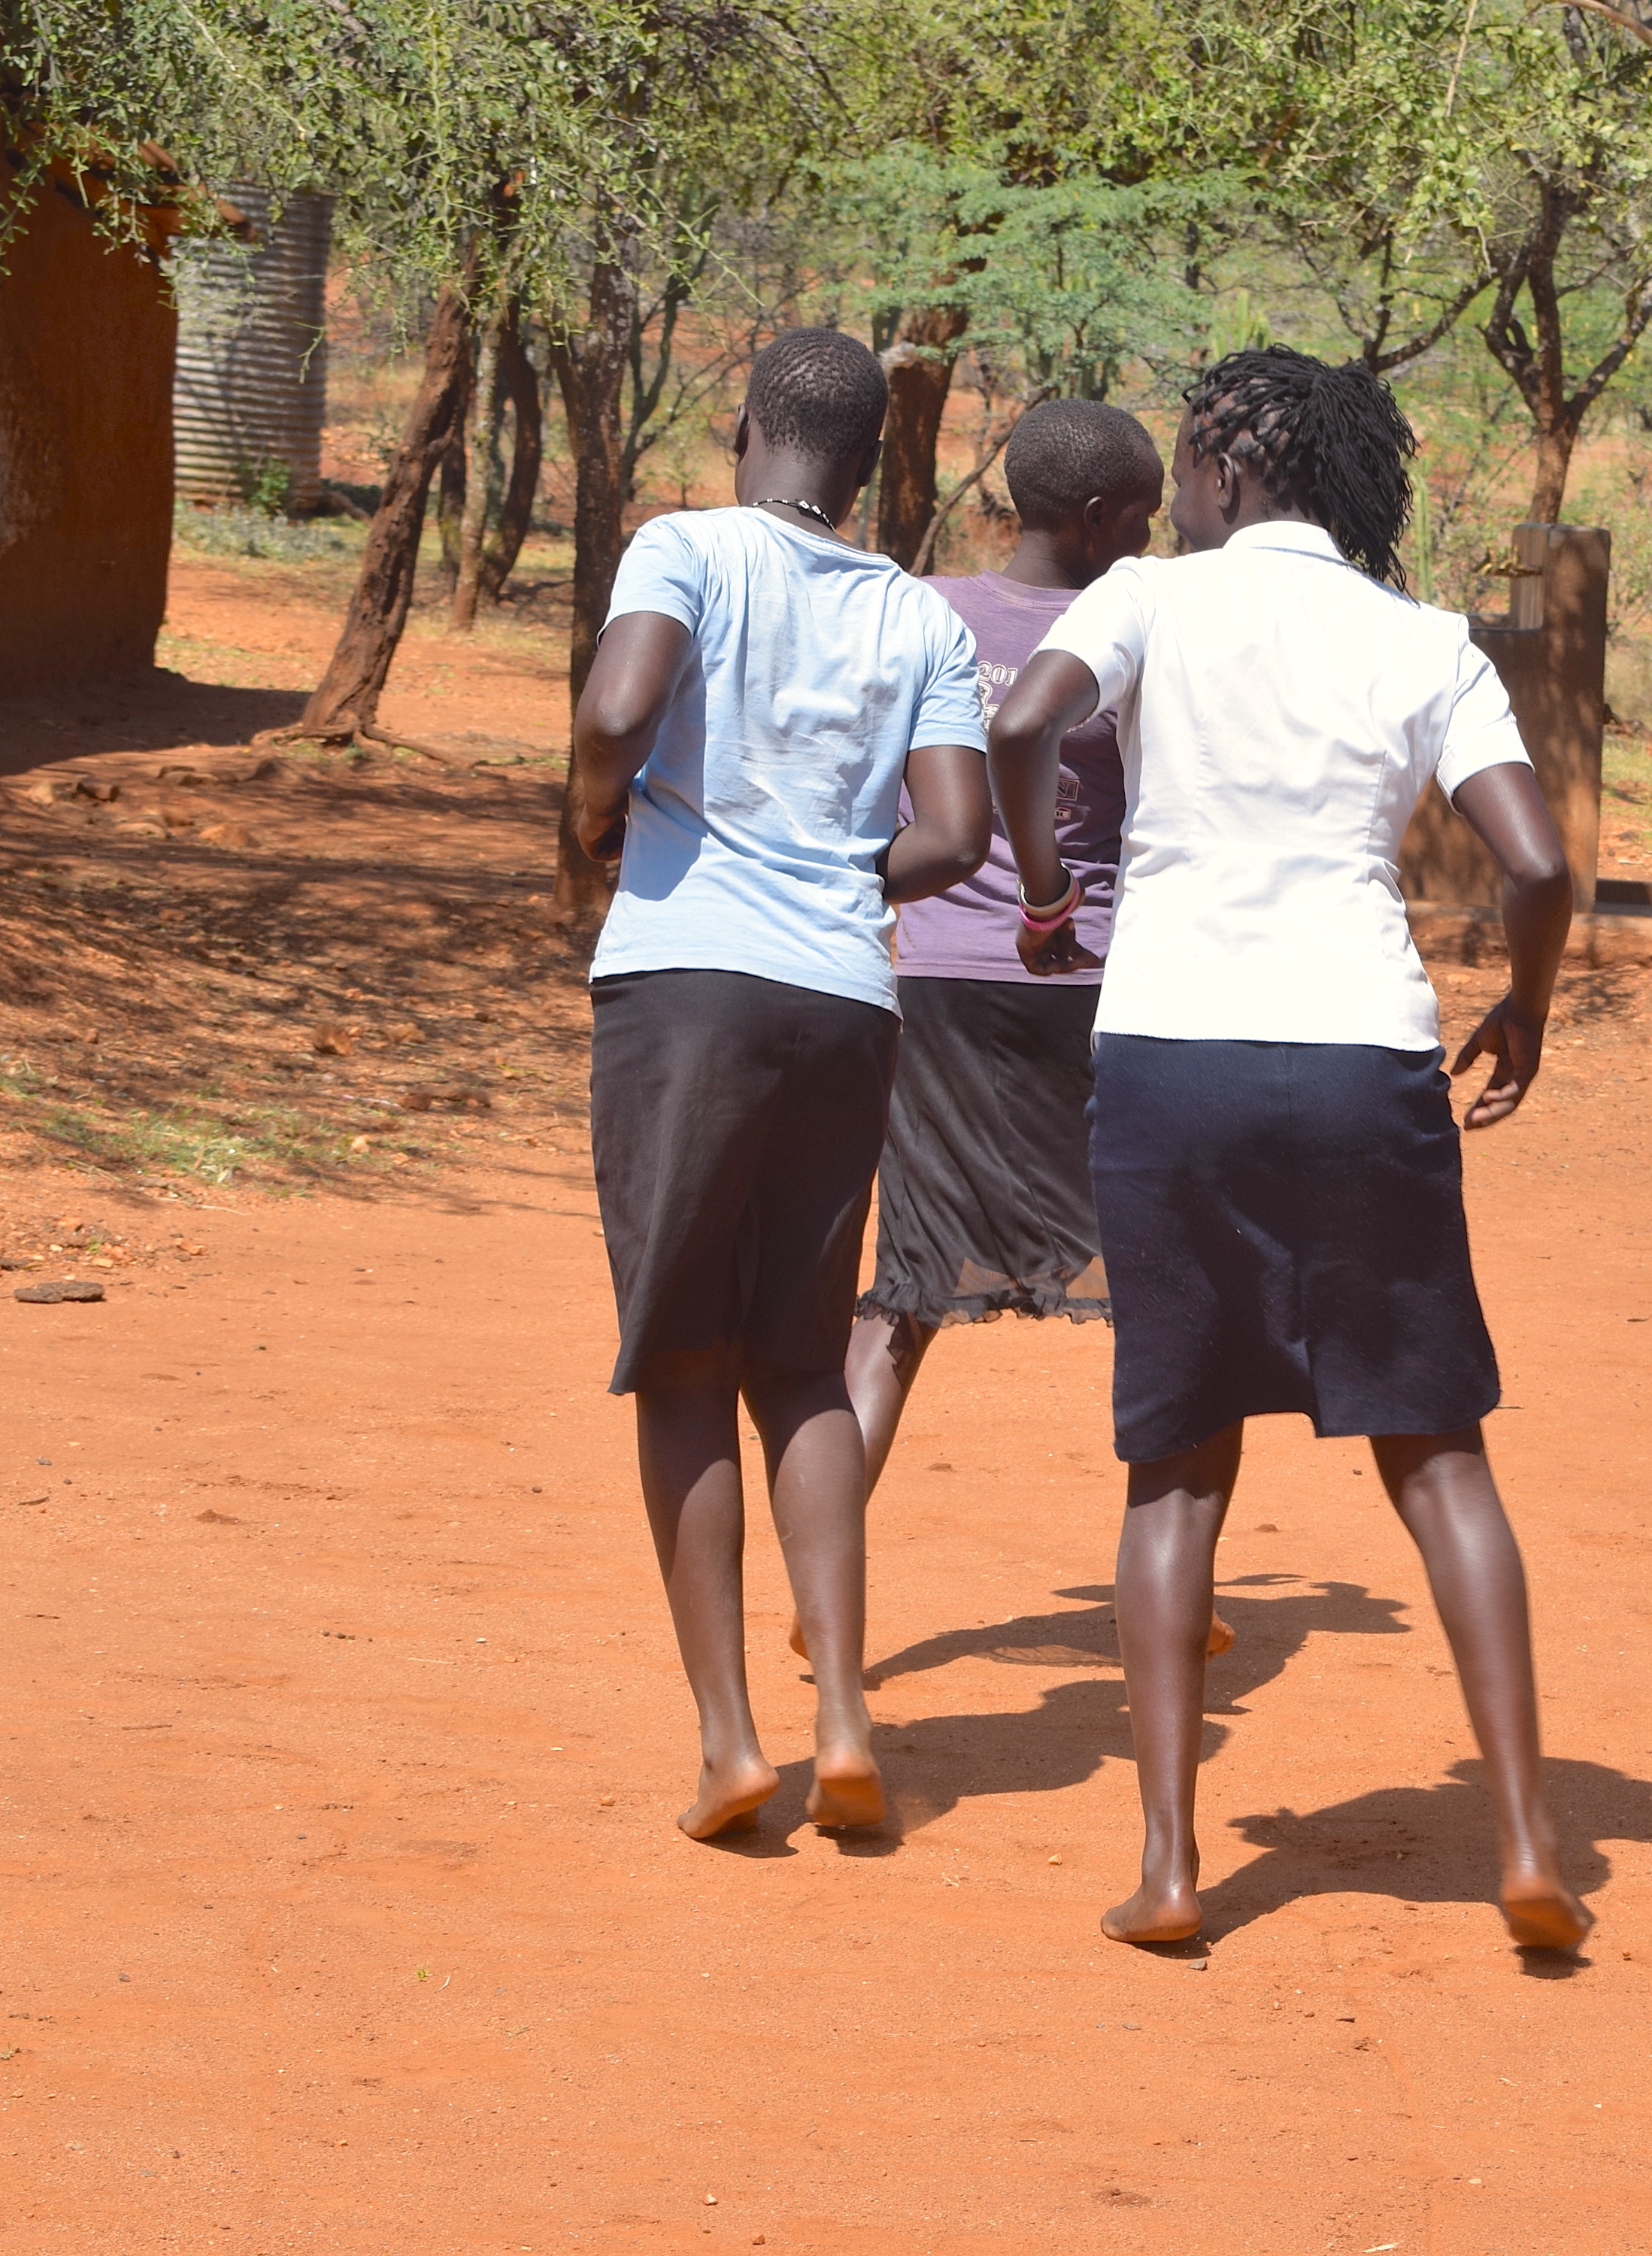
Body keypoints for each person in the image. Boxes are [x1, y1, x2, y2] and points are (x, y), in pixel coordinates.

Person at [981, 344, 1591, 1954]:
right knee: (1438, 1452)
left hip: (1171, 1048)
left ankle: (1174, 1871)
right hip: (1358, 1055)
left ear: (1229, 472)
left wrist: (1047, 895)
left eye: (1190, 462)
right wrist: (1522, 1010)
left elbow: (1019, 725)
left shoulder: (1150, 604)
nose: (1179, 486)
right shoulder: (1421, 638)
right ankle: (1530, 1841)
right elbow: (1535, 863)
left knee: (1175, 1467)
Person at [566, 328, 993, 1842]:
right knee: (802, 1364)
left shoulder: (681, 548)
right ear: (869, 466)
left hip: (684, 988)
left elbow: (619, 714)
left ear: (739, 429)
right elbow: (953, 834)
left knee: (681, 1361)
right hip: (842, 1001)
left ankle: (730, 1742)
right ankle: (846, 1716)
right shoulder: (920, 620)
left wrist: (594, 810)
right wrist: (835, 874)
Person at [813, 398, 1238, 1668]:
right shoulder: (1140, 632)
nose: (1156, 537)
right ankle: (1173, 1594)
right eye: (1147, 516)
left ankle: (821, 1608)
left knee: (900, 1302)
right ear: (1105, 518)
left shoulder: (917, 610)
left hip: (929, 983)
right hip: (1097, 992)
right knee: (1169, 1291)